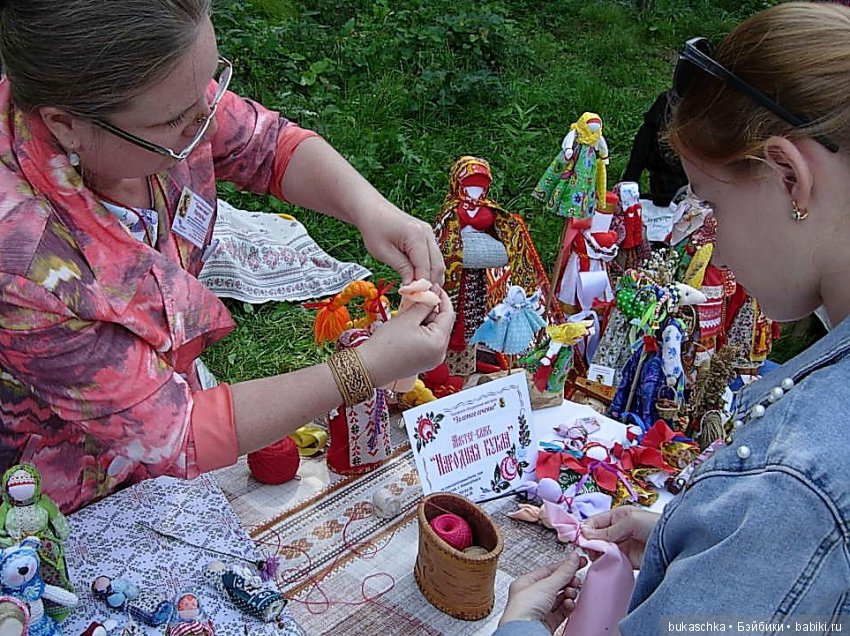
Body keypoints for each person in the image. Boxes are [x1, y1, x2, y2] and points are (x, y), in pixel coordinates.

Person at [0, 0, 453, 513]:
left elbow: (264, 146)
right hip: (68, 489)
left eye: (209, 87)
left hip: (165, 418)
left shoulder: (147, 102)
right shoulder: (23, 264)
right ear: (65, 125)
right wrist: (364, 368)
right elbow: (175, 433)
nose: (208, 122)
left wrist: (372, 210)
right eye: (177, 119)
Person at [496, 2, 850, 633]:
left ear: (791, 178)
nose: (716, 242)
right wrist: (692, 543)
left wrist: (521, 625)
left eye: (711, 202)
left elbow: (797, 522)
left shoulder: (797, 481)